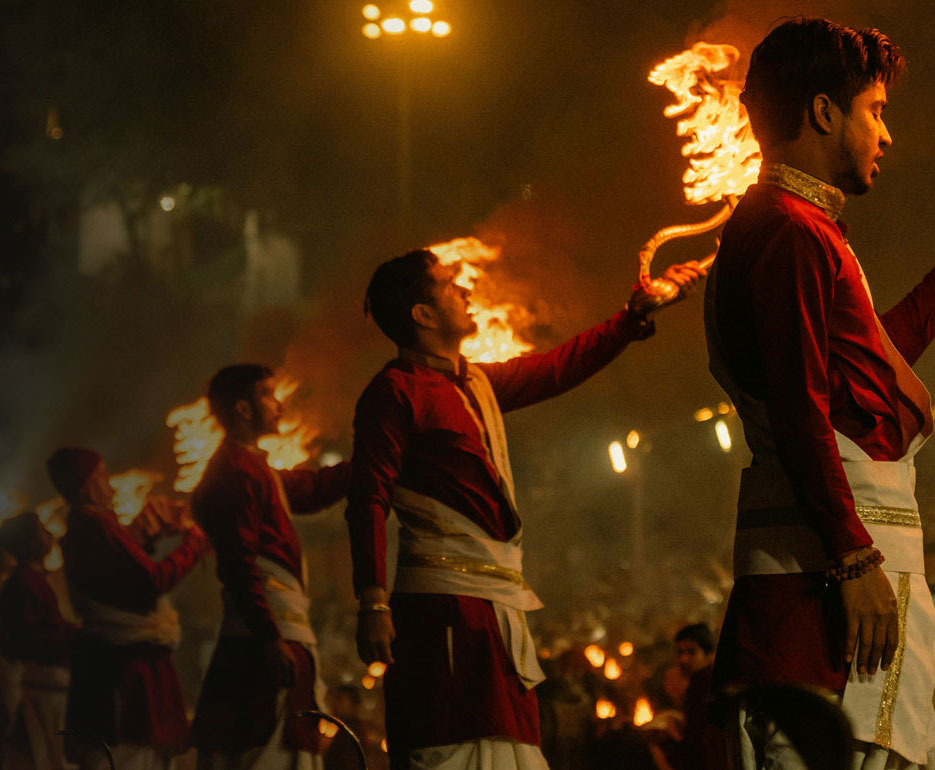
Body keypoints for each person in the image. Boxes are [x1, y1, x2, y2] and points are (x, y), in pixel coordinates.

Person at [346, 248, 705, 769]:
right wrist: (373, 602)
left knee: (510, 745)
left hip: (495, 606)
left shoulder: (474, 383)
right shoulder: (395, 392)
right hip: (444, 609)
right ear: (422, 315)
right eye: (450, 284)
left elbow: (559, 366)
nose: (466, 292)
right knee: (455, 747)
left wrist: (634, 317)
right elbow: (368, 498)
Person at [704, 17, 935, 768]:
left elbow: (863, 374)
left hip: (834, 574)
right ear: (823, 112)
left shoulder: (802, 227)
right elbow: (801, 407)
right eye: (876, 109)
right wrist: (854, 560)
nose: (885, 134)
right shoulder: (789, 231)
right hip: (820, 588)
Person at [190, 364, 352, 770]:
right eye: (267, 395)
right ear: (244, 409)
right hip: (265, 641)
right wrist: (268, 638)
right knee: (267, 753)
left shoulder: (253, 468)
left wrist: (375, 460)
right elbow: (238, 564)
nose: (278, 405)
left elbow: (311, 490)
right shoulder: (236, 473)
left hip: (271, 636)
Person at [49, 446, 210, 770]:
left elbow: (121, 575)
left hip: (116, 664)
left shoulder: (90, 525)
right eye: (103, 478)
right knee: (133, 758)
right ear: (86, 486)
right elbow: (151, 581)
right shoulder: (93, 525)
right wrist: (195, 543)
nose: (110, 486)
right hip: (126, 672)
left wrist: (143, 532)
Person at [0, 510, 75, 770]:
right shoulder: (22, 583)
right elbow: (30, 637)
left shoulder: (35, 579)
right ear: (29, 542)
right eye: (42, 531)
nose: (49, 535)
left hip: (50, 686)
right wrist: (73, 640)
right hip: (42, 689)